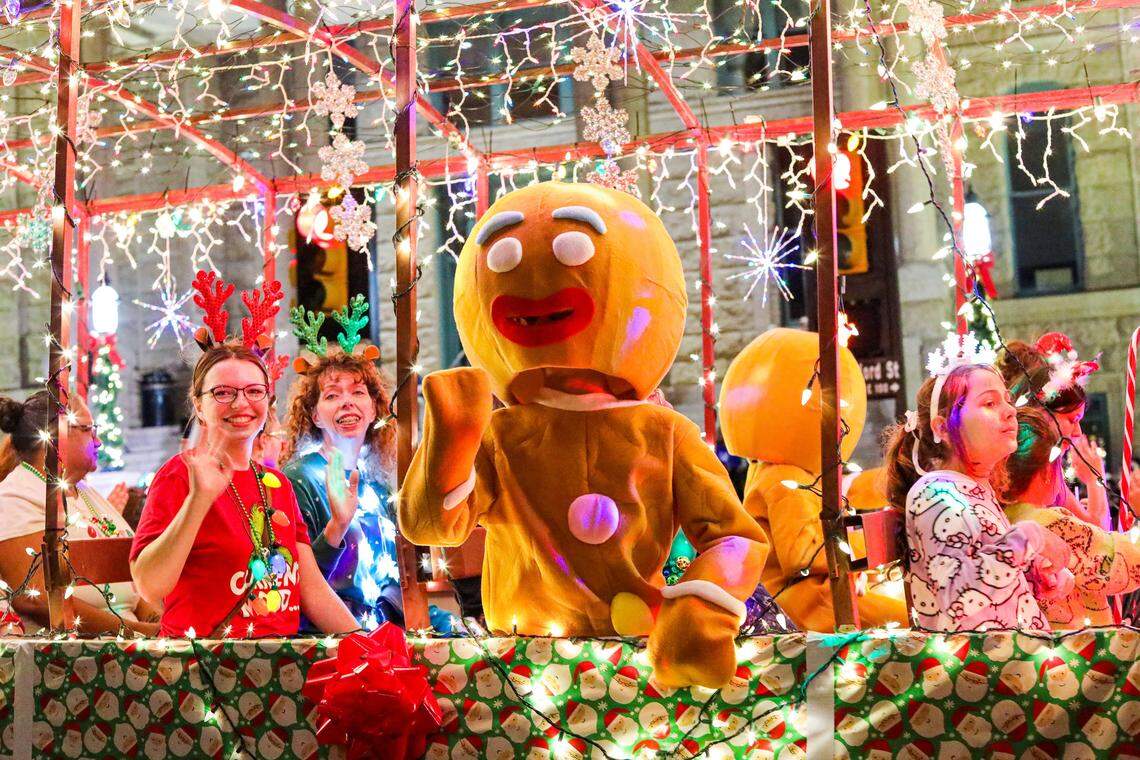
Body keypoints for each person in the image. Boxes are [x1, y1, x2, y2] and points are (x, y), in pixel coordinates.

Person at [130, 272, 358, 638]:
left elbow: (311, 589)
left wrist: (368, 646)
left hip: (277, 664)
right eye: (223, 393)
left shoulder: (278, 484)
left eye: (254, 391)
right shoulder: (178, 475)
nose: (241, 403)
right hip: (204, 670)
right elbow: (149, 587)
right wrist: (199, 501)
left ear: (268, 402)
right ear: (199, 405)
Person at [883, 338, 1072, 632]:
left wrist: (1034, 578)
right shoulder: (935, 492)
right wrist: (1030, 537)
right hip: (982, 672)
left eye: (1007, 401)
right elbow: (959, 597)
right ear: (942, 427)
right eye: (989, 403)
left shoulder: (973, 491)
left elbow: (989, 591)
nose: (1010, 411)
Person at [0, 390, 159, 635]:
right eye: (88, 429)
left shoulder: (83, 491)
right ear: (55, 437)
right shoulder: (16, 497)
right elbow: (38, 598)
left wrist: (158, 622)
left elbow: (132, 582)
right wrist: (138, 632)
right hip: (72, 658)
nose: (98, 441)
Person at [281, 350, 402, 630]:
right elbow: (295, 583)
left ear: (373, 409)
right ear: (315, 416)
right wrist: (337, 527)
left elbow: (396, 587)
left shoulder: (379, 491)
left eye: (358, 392)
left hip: (383, 639)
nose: (347, 402)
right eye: (332, 395)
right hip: (326, 644)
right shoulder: (298, 480)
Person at [1003, 406, 1140, 627]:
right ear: (1047, 473)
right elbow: (1120, 564)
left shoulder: (1004, 517)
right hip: (1074, 648)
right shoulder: (1048, 523)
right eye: (1072, 419)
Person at [998, 334, 1108, 528]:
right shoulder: (1021, 461)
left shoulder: (1051, 462)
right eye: (1072, 420)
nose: (1077, 433)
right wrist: (1094, 479)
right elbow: (1099, 530)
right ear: (1040, 411)